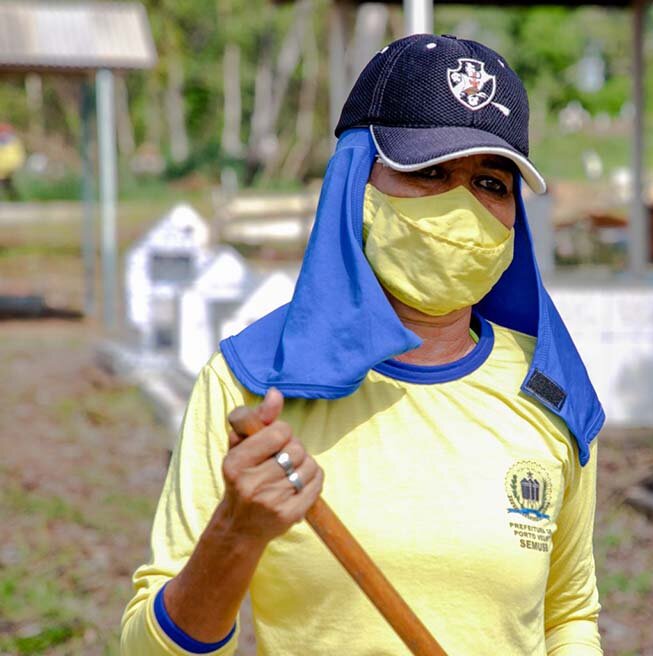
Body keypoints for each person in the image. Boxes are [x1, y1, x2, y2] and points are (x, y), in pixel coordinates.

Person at [121, 34, 605, 655]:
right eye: (429, 172)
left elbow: (568, 615)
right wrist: (235, 536)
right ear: (355, 180)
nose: (463, 207)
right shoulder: (252, 382)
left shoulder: (546, 387)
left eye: (490, 182)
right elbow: (145, 648)